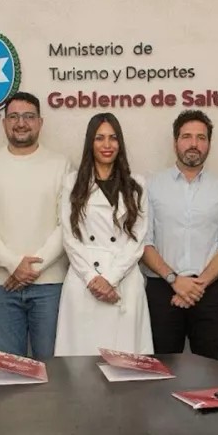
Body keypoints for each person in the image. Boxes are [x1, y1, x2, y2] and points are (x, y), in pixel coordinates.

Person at [0, 92, 71, 359]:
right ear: (4, 123)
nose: (21, 123)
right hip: (2, 286)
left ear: (40, 122)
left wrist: (30, 269)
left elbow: (66, 224)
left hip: (50, 285)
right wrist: (13, 264)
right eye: (14, 117)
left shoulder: (61, 165)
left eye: (28, 117)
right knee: (8, 372)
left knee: (52, 370)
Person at [141, 110, 218, 360]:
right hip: (162, 289)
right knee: (162, 369)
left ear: (209, 143)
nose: (194, 144)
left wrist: (197, 286)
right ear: (175, 142)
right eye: (186, 136)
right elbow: (144, 242)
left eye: (201, 137)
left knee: (211, 370)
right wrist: (175, 280)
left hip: (209, 291)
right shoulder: (150, 187)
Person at [54, 113, 152, 355]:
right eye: (100, 138)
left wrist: (111, 278)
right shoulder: (72, 183)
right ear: (90, 142)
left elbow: (138, 239)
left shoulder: (137, 184)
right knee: (81, 363)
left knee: (126, 361)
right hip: (84, 281)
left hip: (123, 281)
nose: (107, 145)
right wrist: (93, 278)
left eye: (113, 138)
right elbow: (69, 237)